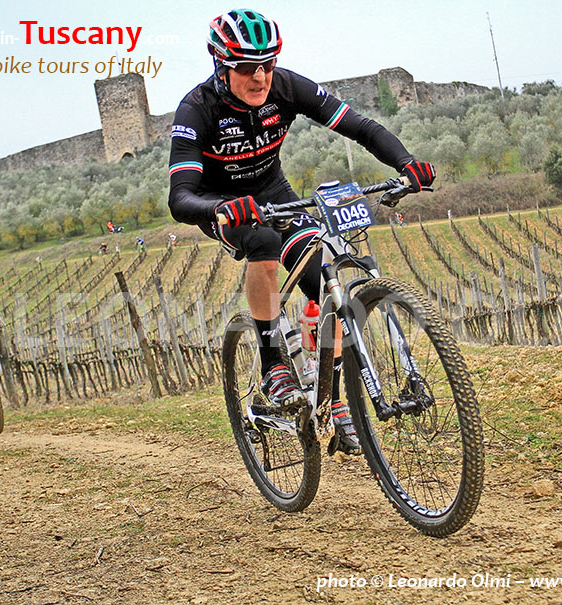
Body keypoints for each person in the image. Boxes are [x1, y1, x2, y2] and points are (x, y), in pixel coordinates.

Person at [167, 9, 436, 455]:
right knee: (263, 242)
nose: (260, 77)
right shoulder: (197, 109)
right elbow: (180, 198)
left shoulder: (287, 87)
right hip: (221, 203)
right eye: (246, 68)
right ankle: (273, 364)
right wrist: (221, 207)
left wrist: (406, 163)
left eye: (268, 64)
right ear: (220, 65)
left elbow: (360, 126)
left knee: (325, 282)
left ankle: (333, 400)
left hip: (273, 192)